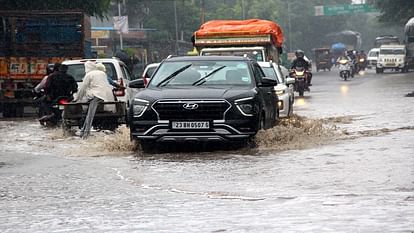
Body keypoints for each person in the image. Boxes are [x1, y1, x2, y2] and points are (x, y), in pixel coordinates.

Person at [75, 61, 115, 139]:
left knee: (90, 115)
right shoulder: (102, 73)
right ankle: (84, 131)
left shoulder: (89, 75)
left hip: (95, 96)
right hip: (105, 96)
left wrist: (77, 99)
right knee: (89, 114)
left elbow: (83, 88)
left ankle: (86, 133)